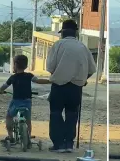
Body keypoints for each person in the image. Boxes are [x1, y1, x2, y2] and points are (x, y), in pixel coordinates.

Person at [46, 19, 96, 153]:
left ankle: (58, 144)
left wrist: (60, 74)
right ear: (76, 33)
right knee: (72, 114)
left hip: (59, 86)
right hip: (76, 88)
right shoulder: (83, 47)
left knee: (56, 113)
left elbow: (50, 67)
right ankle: (68, 143)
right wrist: (83, 79)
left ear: (63, 32)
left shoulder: (58, 45)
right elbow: (92, 69)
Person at [0, 55, 50, 146]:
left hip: (16, 102)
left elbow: (4, 86)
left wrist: (1, 91)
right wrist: (50, 81)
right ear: (26, 66)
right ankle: (28, 137)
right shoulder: (29, 76)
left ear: (15, 65)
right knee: (28, 121)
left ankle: (11, 137)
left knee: (9, 117)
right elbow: (38, 81)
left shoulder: (13, 77)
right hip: (27, 102)